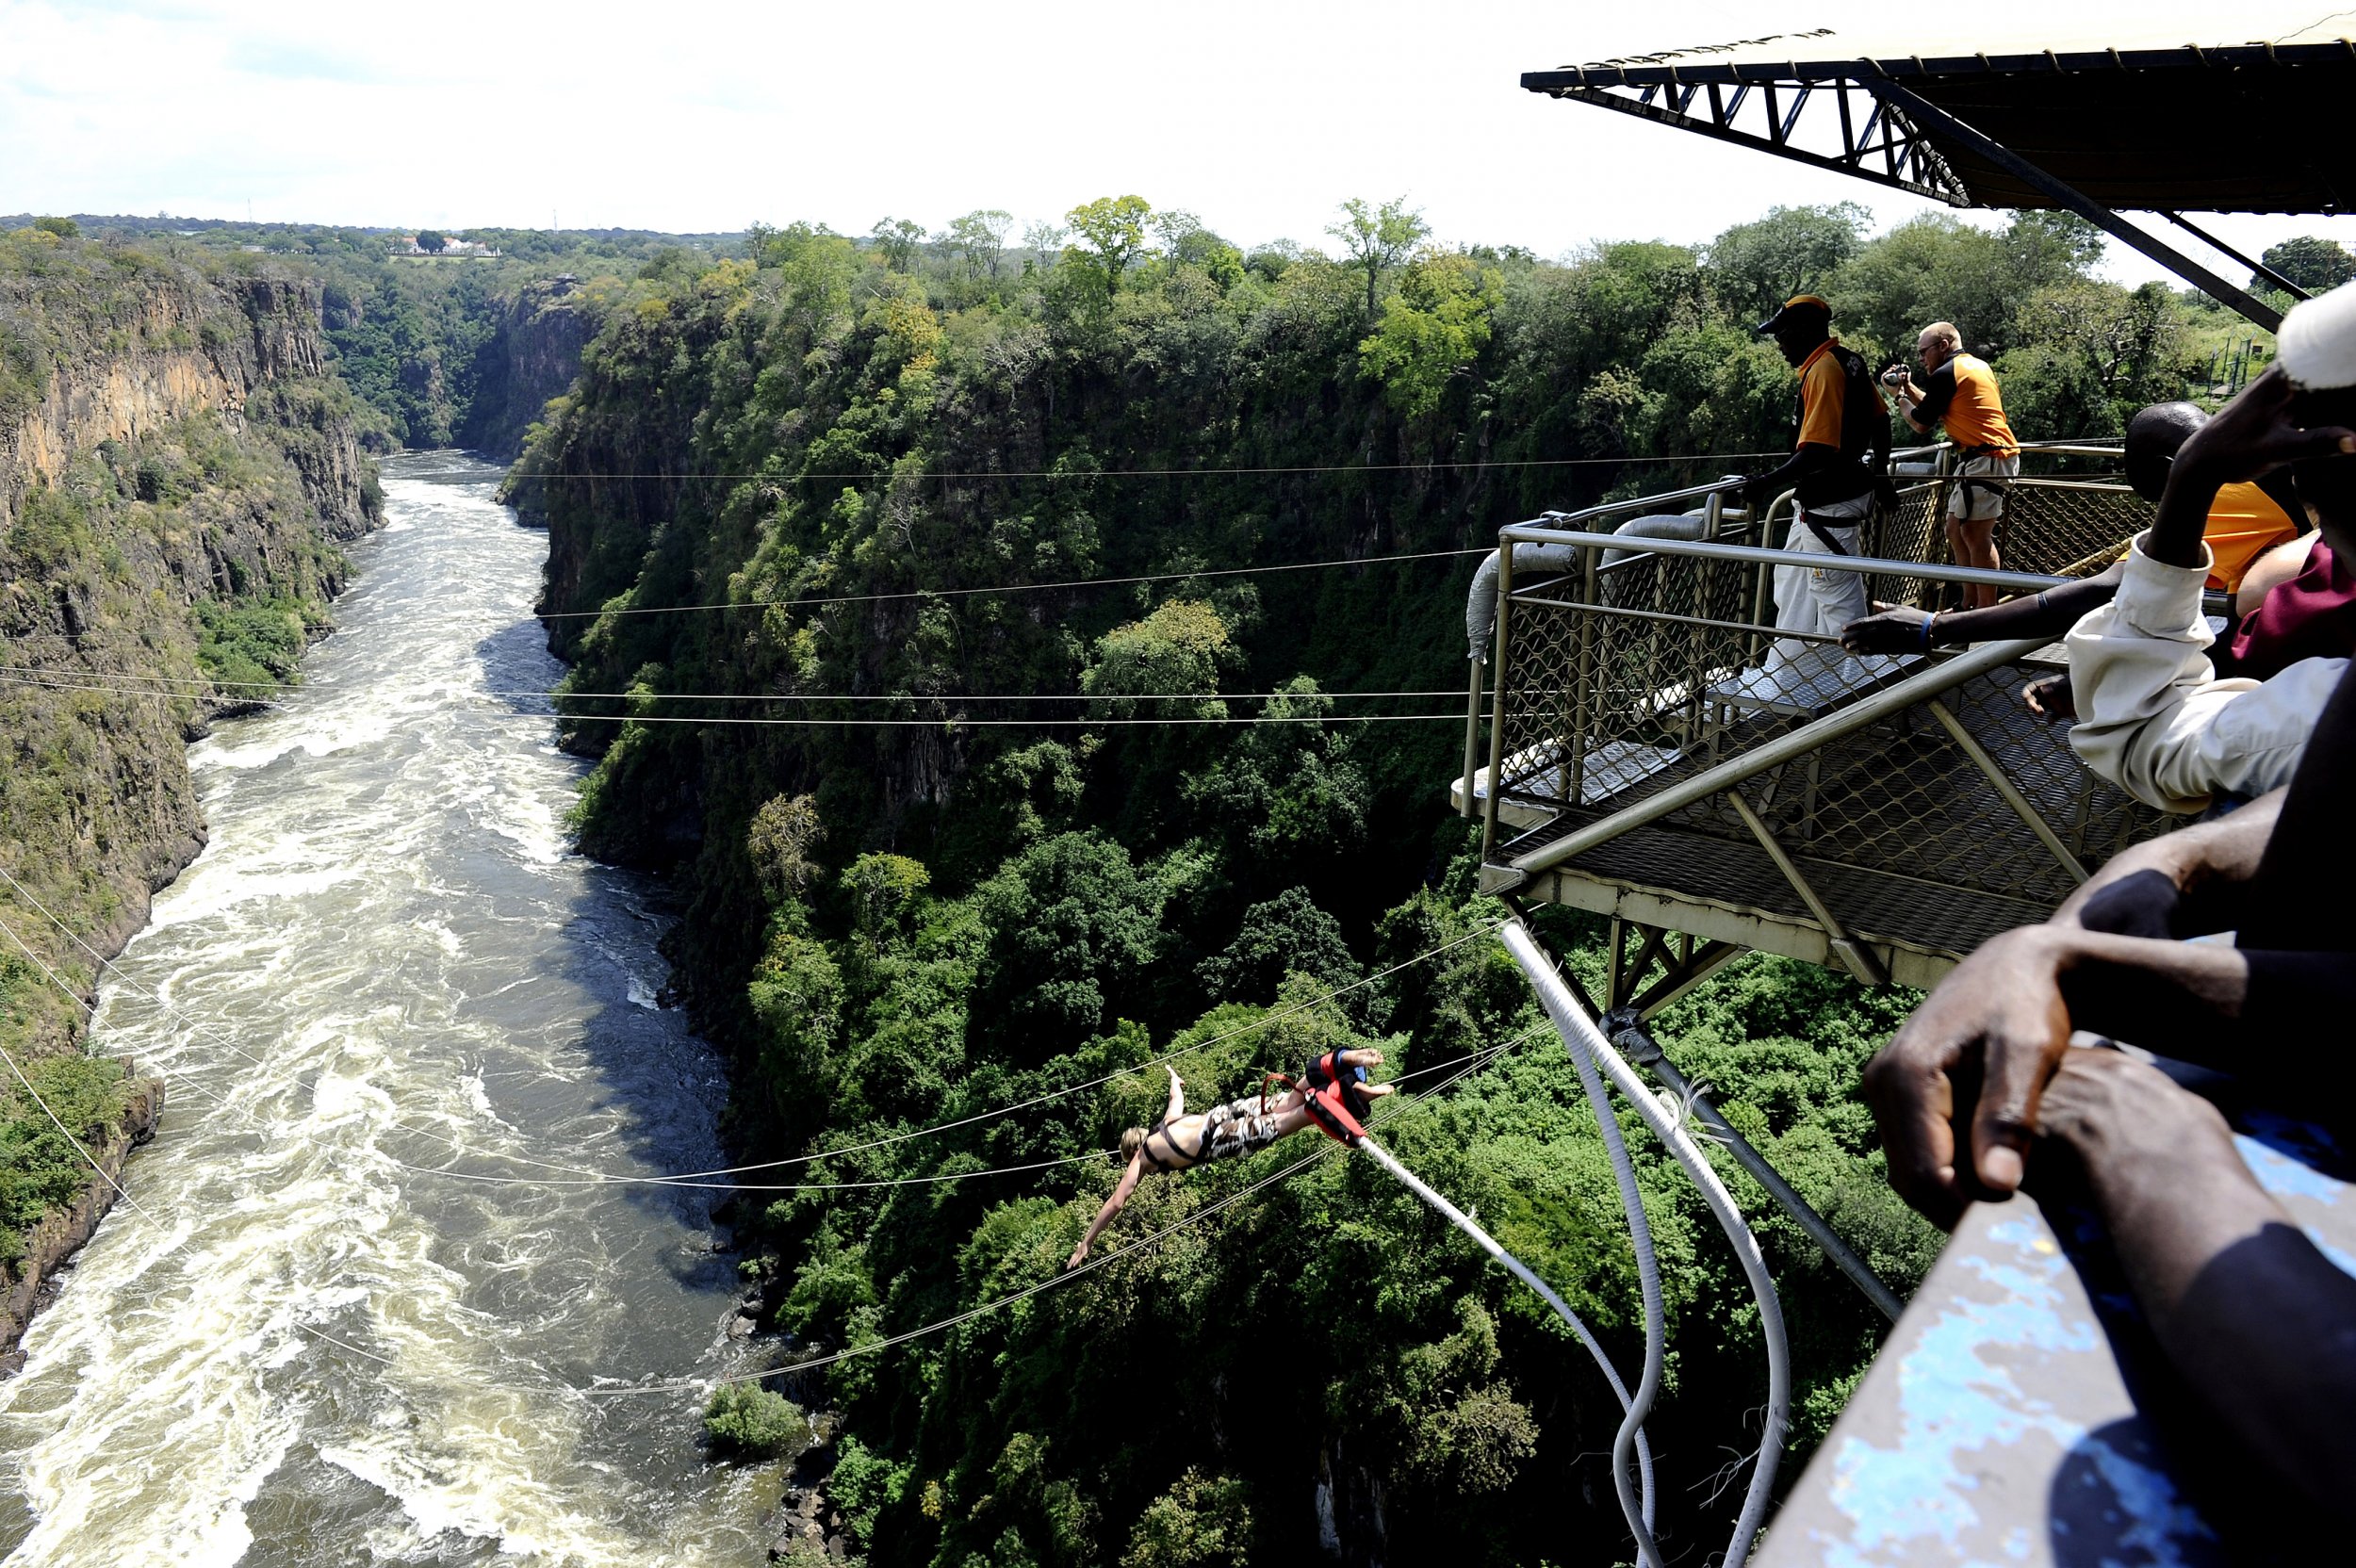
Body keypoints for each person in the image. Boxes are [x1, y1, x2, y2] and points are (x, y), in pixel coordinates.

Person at [1065, 1050, 1392, 1268]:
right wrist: (1173, 1078)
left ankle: (1342, 1096)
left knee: (1288, 1121)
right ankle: (1343, 1066)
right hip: (1220, 1114)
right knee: (1289, 1095)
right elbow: (1175, 1095)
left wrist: (1086, 1242)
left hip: (1217, 1140)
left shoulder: (1143, 1158)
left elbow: (1116, 1202)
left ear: (1130, 1151)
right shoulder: (1166, 1123)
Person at [1743, 294, 1891, 678]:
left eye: (1783, 334)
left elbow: (1818, 451)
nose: (1779, 343)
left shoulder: (1825, 369)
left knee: (1837, 598)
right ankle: (1787, 672)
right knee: (1793, 583)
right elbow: (1881, 420)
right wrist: (1880, 474)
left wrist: (1764, 483)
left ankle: (1866, 689)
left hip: (1831, 501)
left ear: (1806, 330)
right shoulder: (1849, 360)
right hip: (1824, 500)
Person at [1884, 322, 2019, 609]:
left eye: (1924, 352)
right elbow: (1935, 406)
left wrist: (1898, 396)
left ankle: (1986, 613)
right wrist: (1907, 387)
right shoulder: (1972, 366)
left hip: (1987, 459)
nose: (1921, 358)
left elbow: (1920, 422)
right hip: (1981, 459)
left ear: (1943, 346)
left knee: (1974, 535)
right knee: (1955, 530)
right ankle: (1969, 602)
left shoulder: (1947, 373)